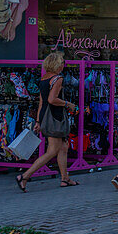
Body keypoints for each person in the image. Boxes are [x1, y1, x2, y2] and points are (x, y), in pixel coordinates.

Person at [17, 52, 79, 190]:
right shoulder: (58, 79)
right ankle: (25, 176)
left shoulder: (44, 78)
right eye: (63, 62)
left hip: (46, 116)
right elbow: (52, 100)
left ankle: (65, 179)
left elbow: (42, 102)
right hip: (55, 117)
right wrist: (68, 104)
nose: (64, 64)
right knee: (52, 151)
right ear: (58, 64)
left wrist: (39, 120)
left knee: (63, 147)